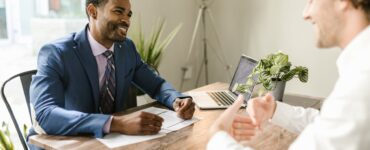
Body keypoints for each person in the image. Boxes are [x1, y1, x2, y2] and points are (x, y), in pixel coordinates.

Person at [208, 0, 370, 149]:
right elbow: (331, 122)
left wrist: (217, 136)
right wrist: (275, 110)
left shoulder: (362, 81)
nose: (305, 14)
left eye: (312, 1)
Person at [29, 0, 195, 141]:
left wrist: (176, 100)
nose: (126, 20)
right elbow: (45, 114)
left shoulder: (126, 48)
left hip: (111, 142)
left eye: (129, 14)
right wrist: (116, 123)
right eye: (118, 11)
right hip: (67, 143)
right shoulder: (56, 53)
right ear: (93, 11)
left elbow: (156, 85)